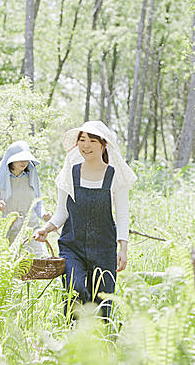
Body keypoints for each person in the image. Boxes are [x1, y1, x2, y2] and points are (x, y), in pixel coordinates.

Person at [33, 121, 136, 320]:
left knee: (103, 304)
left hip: (104, 248)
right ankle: (72, 341)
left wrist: (123, 249)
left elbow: (122, 216)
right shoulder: (69, 174)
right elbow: (61, 211)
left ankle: (102, 346)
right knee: (76, 290)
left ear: (103, 145)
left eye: (91, 140)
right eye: (81, 140)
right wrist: (46, 229)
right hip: (73, 246)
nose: (85, 145)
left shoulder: (116, 176)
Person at [0, 141, 51, 256]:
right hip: (8, 230)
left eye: (26, 158)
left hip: (31, 229)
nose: (24, 162)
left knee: (39, 262)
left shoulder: (32, 176)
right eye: (20, 159)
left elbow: (37, 202)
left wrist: (44, 214)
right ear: (10, 160)